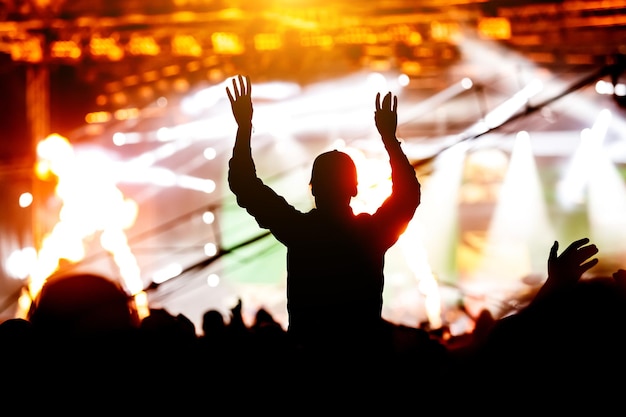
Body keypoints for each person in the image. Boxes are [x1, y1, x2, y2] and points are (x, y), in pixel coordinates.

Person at [226, 74, 421, 356]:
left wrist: (244, 128)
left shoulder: (300, 232)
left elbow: (244, 183)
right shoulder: (370, 234)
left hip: (310, 358)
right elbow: (408, 196)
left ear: (313, 189)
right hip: (363, 356)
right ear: (354, 188)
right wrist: (390, 140)